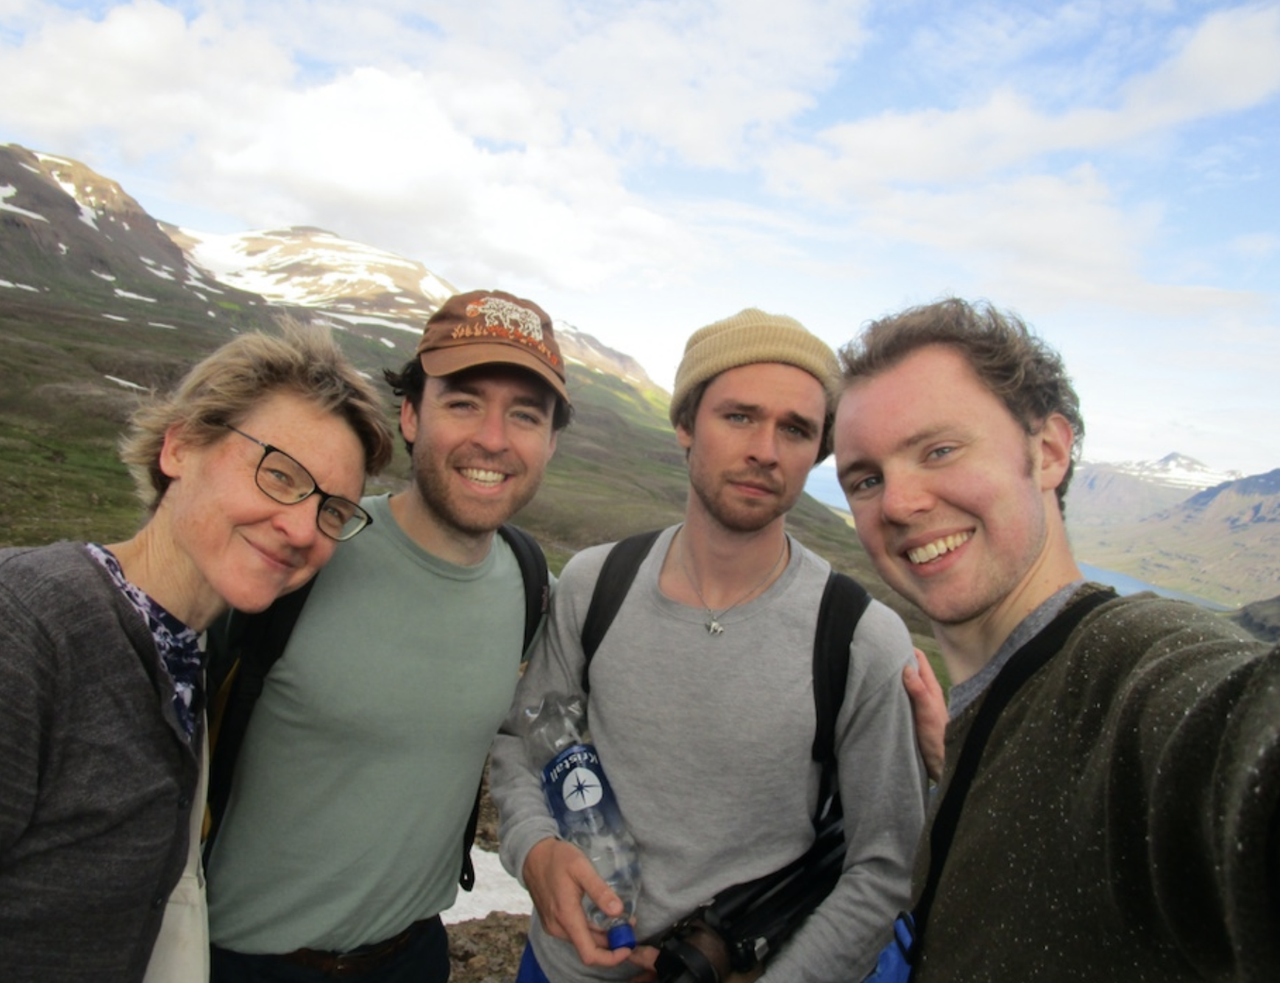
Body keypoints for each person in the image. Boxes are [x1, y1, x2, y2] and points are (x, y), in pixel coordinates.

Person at [833, 297, 1280, 981]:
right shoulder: (979, 721)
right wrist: (960, 765)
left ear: (1047, 453)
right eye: (866, 479)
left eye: (940, 449)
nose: (897, 502)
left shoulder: (1136, 666)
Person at [490, 308, 928, 983]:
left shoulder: (859, 638)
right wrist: (535, 851)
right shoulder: (595, 585)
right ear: (686, 426)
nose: (765, 449)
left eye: (796, 429)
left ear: (818, 451)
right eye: (739, 416)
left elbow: (884, 864)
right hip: (561, 968)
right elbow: (523, 739)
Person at [0, 325, 394, 983]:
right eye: (279, 473)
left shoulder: (188, 656)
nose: (302, 527)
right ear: (180, 445)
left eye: (332, 509)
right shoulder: (30, 628)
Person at [204, 289, 571, 982]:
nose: (493, 437)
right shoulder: (305, 547)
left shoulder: (530, 584)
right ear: (409, 414)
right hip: (243, 960)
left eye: (525, 415)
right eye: (463, 402)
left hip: (416, 957)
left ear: (550, 442)